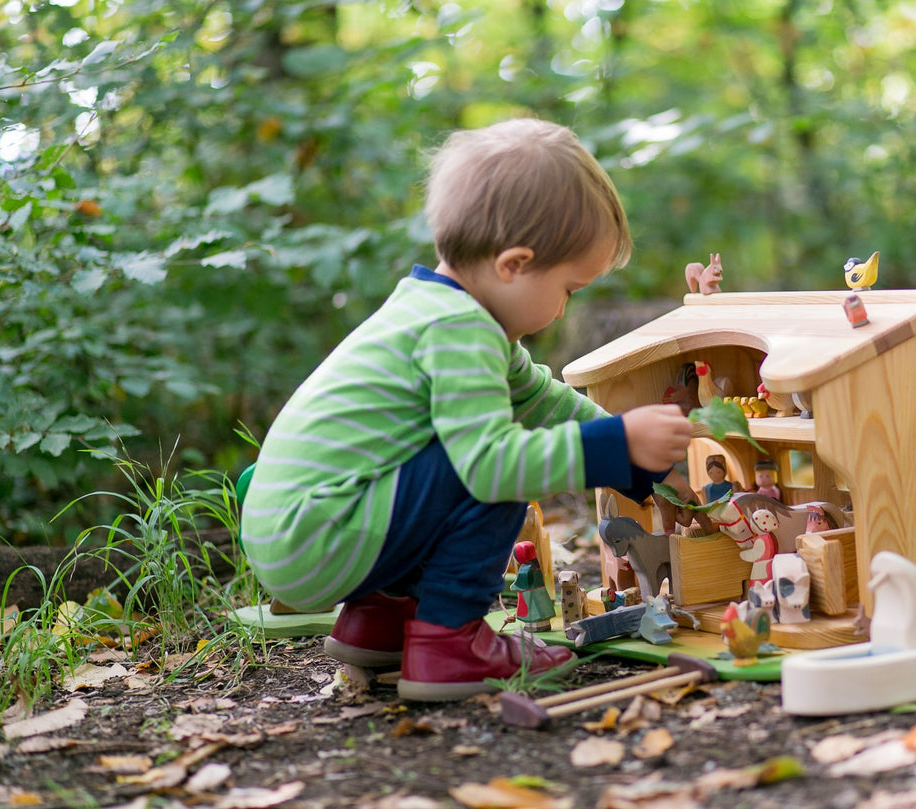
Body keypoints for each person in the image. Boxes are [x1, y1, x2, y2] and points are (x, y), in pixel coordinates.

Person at [239, 118, 693, 701]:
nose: (562, 310)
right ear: (514, 265)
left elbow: (540, 400)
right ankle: (449, 643)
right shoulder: (460, 331)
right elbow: (492, 467)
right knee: (498, 463)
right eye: (569, 288)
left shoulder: (438, 313)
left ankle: (382, 619)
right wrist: (615, 445)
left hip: (304, 530)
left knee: (452, 455)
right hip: (318, 534)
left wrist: (634, 460)